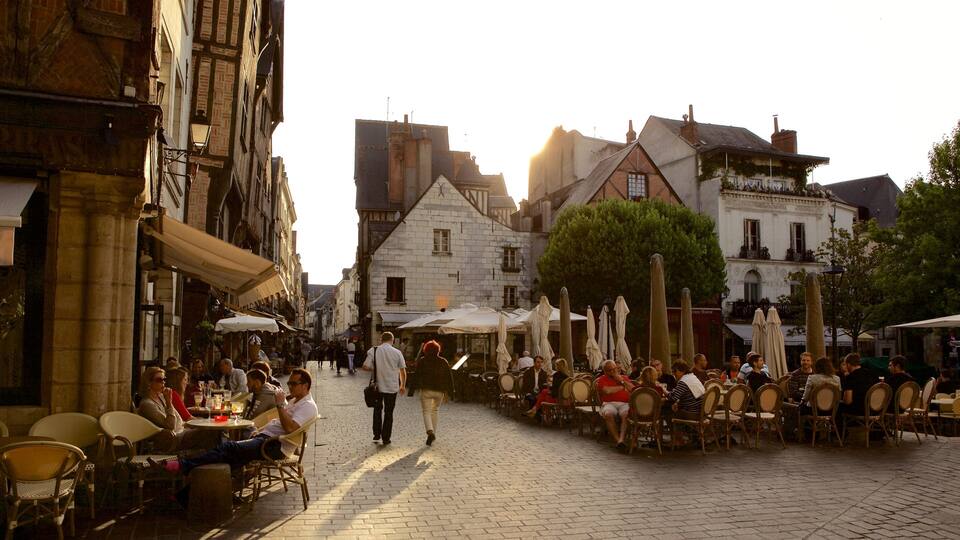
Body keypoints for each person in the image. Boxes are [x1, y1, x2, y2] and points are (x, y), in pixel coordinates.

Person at [150, 368, 317, 483]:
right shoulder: (296, 400)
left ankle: (182, 466)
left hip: (274, 446)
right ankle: (187, 495)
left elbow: (289, 429)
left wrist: (280, 405)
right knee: (228, 458)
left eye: (293, 384)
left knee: (228, 448)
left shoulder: (308, 406)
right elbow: (279, 423)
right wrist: (259, 431)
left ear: (305, 385)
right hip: (265, 438)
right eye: (289, 384)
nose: (289, 387)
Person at [138, 367, 218, 452]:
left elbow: (178, 418)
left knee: (213, 430)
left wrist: (190, 426)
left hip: (182, 431)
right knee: (210, 433)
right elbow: (170, 426)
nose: (163, 382)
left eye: (164, 379)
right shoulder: (147, 404)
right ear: (149, 382)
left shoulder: (161, 397)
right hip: (172, 440)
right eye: (159, 380)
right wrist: (169, 403)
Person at [361, 332, 407, 446]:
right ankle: (386, 438)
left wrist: (376, 368)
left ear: (381, 340)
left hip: (377, 387)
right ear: (392, 340)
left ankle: (376, 434)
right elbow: (402, 371)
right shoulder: (397, 352)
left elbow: (365, 366)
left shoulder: (374, 350)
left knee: (377, 410)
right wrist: (402, 385)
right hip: (392, 387)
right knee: (389, 412)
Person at [414, 340, 454, 446]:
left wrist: (412, 390)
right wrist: (450, 392)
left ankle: (430, 432)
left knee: (426, 412)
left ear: (425, 350)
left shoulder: (423, 360)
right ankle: (433, 434)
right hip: (439, 391)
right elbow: (449, 378)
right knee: (435, 411)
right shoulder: (443, 361)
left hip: (426, 390)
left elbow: (416, 375)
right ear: (438, 350)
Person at [596, 360, 636, 449]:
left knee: (626, 415)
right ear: (605, 371)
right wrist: (622, 387)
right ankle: (618, 440)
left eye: (614, 369)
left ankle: (621, 439)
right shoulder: (601, 379)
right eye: (609, 370)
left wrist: (622, 381)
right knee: (608, 414)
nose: (613, 372)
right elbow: (607, 391)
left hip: (624, 403)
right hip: (609, 403)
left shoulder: (624, 377)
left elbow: (633, 389)